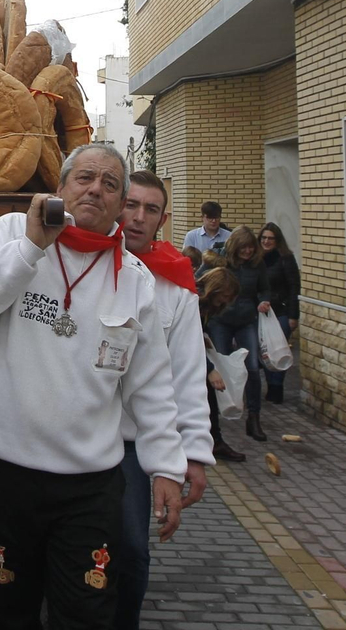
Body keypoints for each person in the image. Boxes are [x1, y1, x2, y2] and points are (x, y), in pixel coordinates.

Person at [0, 143, 186, 630]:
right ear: (60, 187)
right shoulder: (13, 233)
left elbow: (152, 385)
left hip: (90, 484)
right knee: (9, 608)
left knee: (87, 611)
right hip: (5, 472)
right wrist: (31, 249)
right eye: (85, 178)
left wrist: (166, 467)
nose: (96, 188)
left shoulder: (135, 279)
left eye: (111, 184)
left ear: (120, 204)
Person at [115, 171, 214, 630]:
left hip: (136, 446)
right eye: (130, 204)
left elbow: (189, 374)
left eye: (149, 210)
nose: (137, 217)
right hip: (72, 438)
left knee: (133, 548)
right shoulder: (80, 261)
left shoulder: (176, 285)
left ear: (163, 219)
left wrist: (192, 454)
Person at [206, 226, 271, 442]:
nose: (248, 252)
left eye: (251, 248)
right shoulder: (220, 260)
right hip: (220, 320)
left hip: (246, 319)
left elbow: (265, 288)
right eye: (244, 248)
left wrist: (263, 300)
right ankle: (221, 411)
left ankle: (254, 418)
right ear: (235, 247)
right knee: (221, 366)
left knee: (252, 367)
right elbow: (202, 280)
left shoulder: (257, 265)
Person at [198, 266, 246, 462]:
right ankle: (212, 442)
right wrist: (210, 370)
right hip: (183, 360)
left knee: (207, 397)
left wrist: (204, 336)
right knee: (206, 395)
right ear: (215, 288)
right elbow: (188, 339)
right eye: (225, 295)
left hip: (195, 355)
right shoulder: (194, 300)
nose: (226, 301)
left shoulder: (205, 304)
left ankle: (213, 440)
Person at [259, 223, 301, 404]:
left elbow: (294, 287)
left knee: (278, 350)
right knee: (265, 352)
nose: (267, 242)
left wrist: (293, 315)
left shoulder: (286, 258)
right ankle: (270, 384)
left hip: (281, 311)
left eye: (270, 238)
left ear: (277, 241)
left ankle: (276, 388)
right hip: (261, 314)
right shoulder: (255, 259)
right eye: (264, 238)